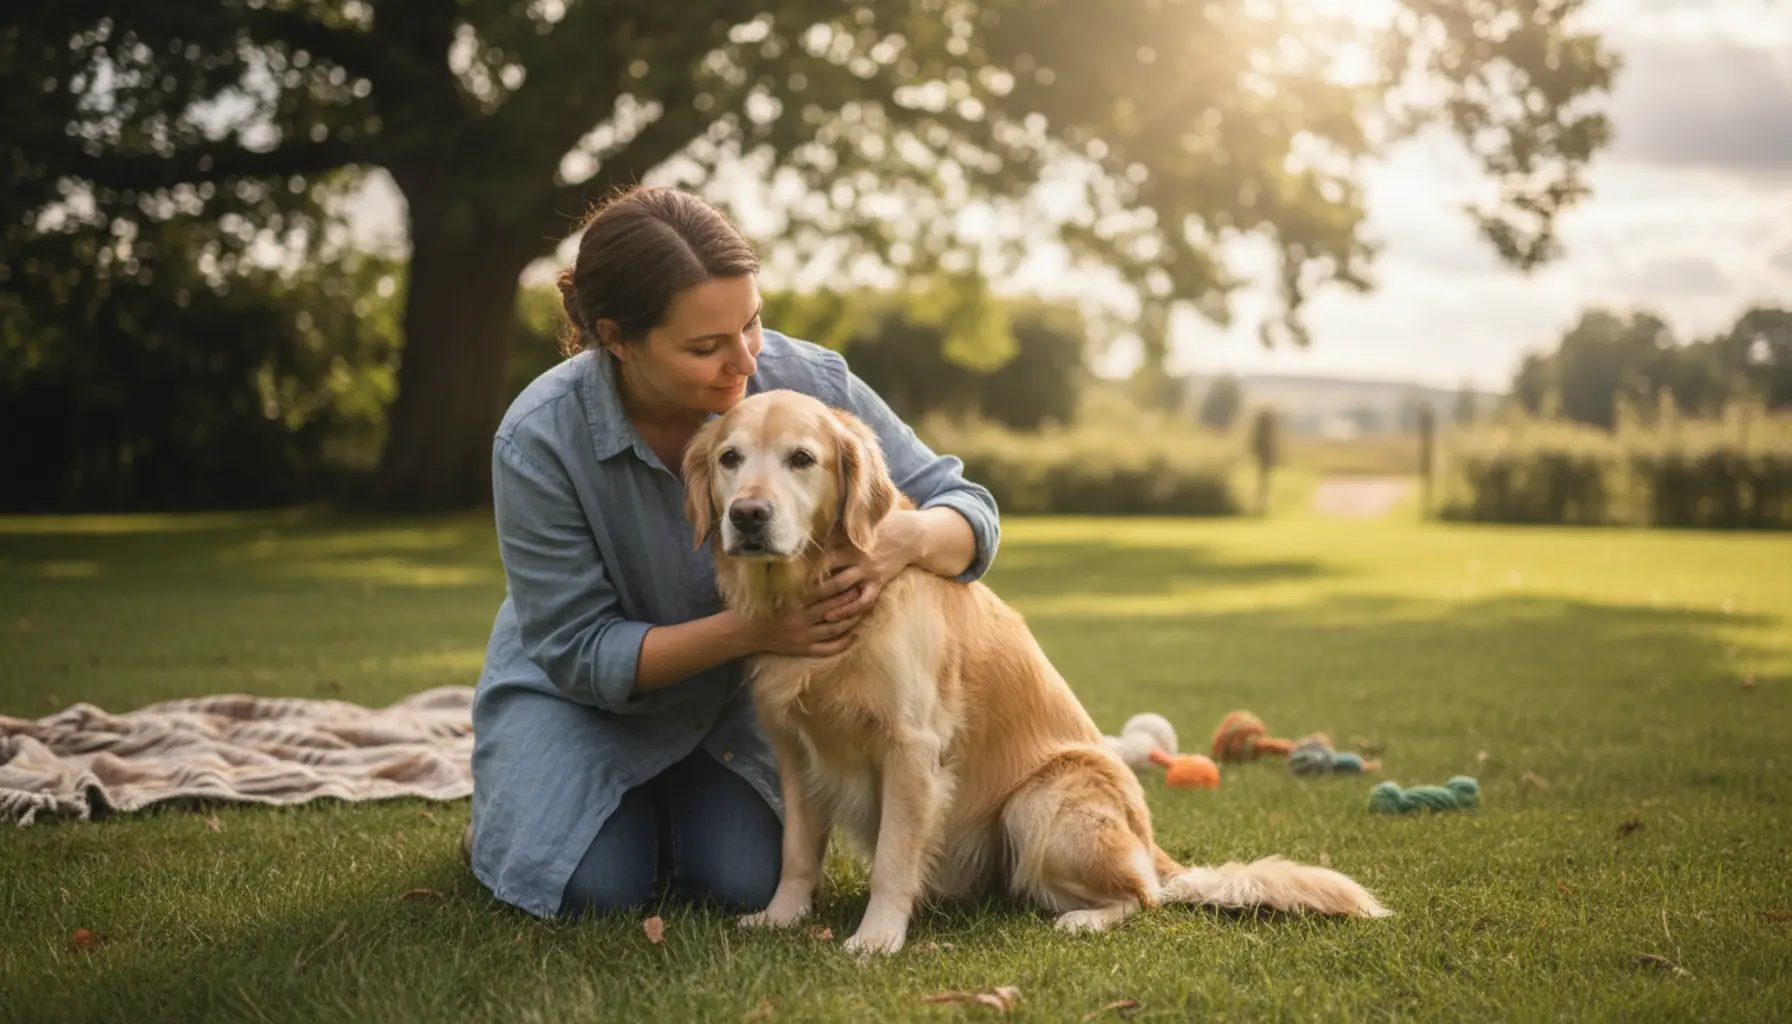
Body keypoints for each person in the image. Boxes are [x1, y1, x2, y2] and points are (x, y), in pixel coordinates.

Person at [465, 185, 1002, 920]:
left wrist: (904, 537)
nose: (745, 362)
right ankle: (524, 804)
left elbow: (969, 509)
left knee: (739, 884)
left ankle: (658, 811)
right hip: (583, 704)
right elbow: (578, 651)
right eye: (705, 346)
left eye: (751, 324)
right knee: (591, 889)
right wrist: (755, 633)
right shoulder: (537, 440)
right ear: (618, 339)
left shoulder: (811, 380)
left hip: (735, 708)